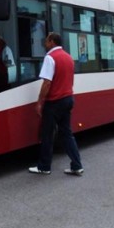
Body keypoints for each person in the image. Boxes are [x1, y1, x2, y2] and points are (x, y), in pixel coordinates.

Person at [29, 32, 84, 176]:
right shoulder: (68, 57)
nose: (44, 43)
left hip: (54, 102)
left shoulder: (50, 58)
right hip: (68, 99)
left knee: (47, 134)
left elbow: (47, 82)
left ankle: (44, 166)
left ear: (52, 42)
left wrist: (40, 102)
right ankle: (76, 165)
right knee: (67, 134)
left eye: (46, 41)